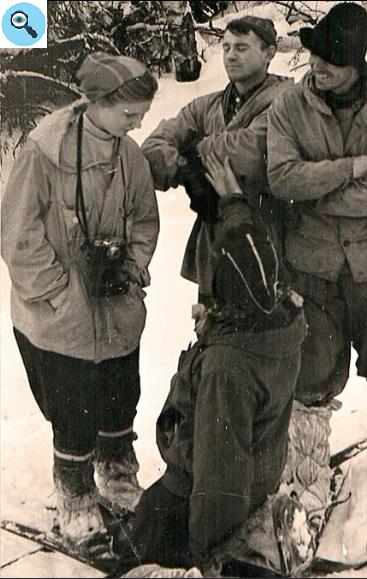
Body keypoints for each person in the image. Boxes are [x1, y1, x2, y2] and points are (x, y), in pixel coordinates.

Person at [267, 2, 367, 517]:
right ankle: (310, 476)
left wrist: (317, 193)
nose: (317, 67)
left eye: (331, 61)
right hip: (312, 263)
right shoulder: (289, 108)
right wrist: (348, 168)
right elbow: (282, 178)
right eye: (314, 56)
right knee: (310, 377)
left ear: (357, 63)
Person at [115, 154, 308, 577]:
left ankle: (226, 554)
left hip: (201, 488)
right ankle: (254, 529)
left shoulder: (228, 367)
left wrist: (209, 558)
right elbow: (248, 242)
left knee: (136, 542)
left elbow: (220, 474)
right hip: (259, 472)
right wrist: (234, 202)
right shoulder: (279, 314)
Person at [1, 53, 160, 550]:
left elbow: (144, 219)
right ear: (99, 102)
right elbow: (18, 232)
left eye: (142, 114)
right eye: (130, 113)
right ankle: (74, 497)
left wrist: (131, 268)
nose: (139, 124)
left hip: (115, 307)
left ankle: (116, 475)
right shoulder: (45, 151)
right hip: (60, 313)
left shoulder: (127, 154)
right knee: (72, 409)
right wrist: (57, 291)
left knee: (119, 392)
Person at [140, 15, 294, 302]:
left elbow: (248, 153)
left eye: (241, 48)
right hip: (215, 239)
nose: (231, 56)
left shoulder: (286, 102)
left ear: (268, 54)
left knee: (267, 328)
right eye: (226, 47)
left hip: (269, 235)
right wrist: (187, 172)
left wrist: (192, 149)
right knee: (214, 329)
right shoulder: (207, 106)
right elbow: (151, 148)